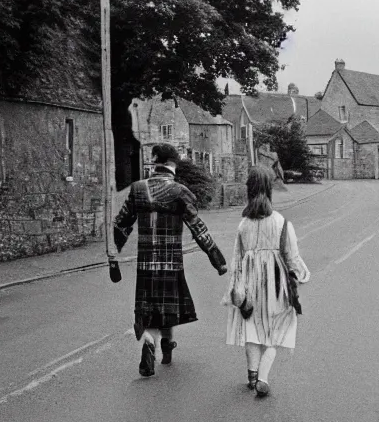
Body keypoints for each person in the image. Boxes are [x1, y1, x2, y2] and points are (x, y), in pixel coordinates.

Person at [114, 143, 227, 377]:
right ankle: (166, 346)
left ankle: (148, 342)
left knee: (150, 311)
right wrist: (217, 258)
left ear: (155, 163)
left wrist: (113, 256)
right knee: (167, 309)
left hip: (145, 264)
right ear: (173, 164)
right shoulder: (179, 192)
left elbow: (121, 225)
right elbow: (198, 228)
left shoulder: (137, 189)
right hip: (171, 263)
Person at [221, 166, 310, 397]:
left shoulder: (243, 225)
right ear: (269, 190)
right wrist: (302, 274)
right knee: (277, 329)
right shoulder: (281, 222)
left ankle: (251, 376)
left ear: (248, 190)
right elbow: (292, 256)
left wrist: (236, 288)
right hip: (276, 286)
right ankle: (263, 377)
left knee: (251, 328)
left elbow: (236, 260)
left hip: (249, 286)